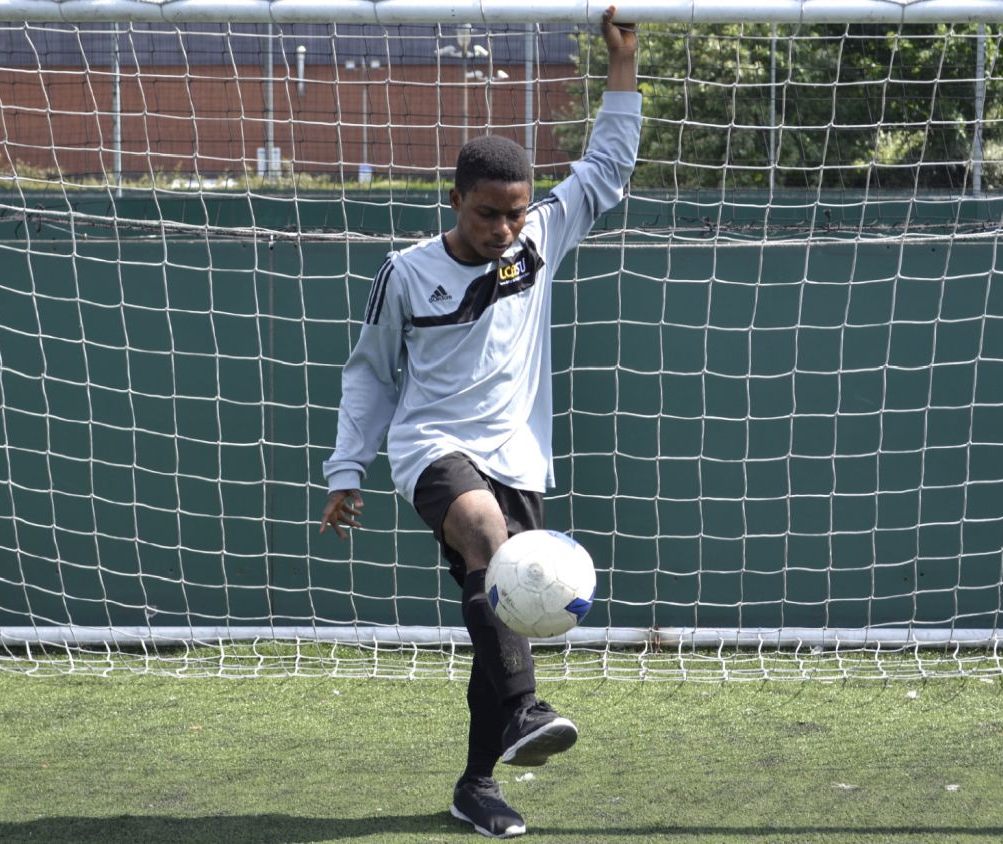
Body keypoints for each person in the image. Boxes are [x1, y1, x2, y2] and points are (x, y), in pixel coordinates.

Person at [319, 7, 641, 838]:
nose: (505, 230)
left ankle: (476, 784)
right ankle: (529, 710)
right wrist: (347, 471)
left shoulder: (537, 240)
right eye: (488, 213)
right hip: (432, 448)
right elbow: (369, 375)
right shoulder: (406, 274)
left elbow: (605, 169)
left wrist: (621, 67)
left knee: (497, 609)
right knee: (484, 535)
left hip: (519, 453)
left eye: (516, 213)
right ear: (455, 199)